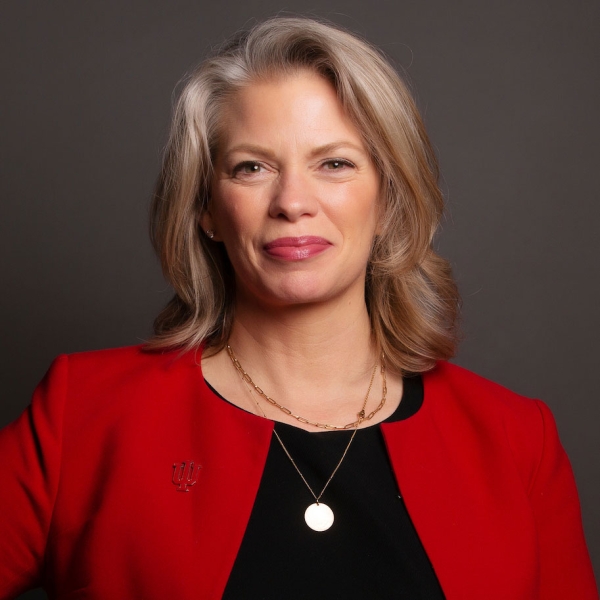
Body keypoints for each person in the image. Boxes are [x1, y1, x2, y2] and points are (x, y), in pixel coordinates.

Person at [0, 16, 597, 600]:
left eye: (334, 163)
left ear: (389, 199)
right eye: (251, 167)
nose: (292, 201)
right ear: (206, 207)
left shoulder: (518, 439)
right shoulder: (83, 413)